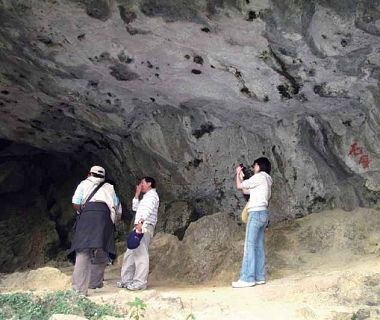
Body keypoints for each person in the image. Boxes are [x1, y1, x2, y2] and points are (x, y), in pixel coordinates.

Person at [68, 165, 122, 296]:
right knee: (102, 249)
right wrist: (113, 222)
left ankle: (79, 290)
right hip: (104, 218)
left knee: (83, 250)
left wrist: (82, 211)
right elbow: (118, 208)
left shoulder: (83, 184)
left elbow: (76, 202)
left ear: (89, 174)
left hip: (87, 217)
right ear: (103, 177)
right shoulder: (109, 188)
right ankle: (95, 282)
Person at [232, 157, 273, 288]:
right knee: (258, 245)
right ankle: (260, 276)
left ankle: (247, 278)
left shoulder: (259, 176)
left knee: (249, 245)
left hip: (255, 214)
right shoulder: (267, 180)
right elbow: (245, 190)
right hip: (263, 214)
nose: (254, 168)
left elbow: (239, 186)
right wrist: (242, 178)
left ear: (259, 166)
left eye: (255, 165)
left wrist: (238, 173)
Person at [118, 177, 159, 291]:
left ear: (149, 183)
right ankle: (126, 280)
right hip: (139, 225)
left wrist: (140, 223)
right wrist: (137, 194)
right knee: (130, 253)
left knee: (141, 254)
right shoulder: (146, 197)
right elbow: (135, 207)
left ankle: (140, 282)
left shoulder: (152, 196)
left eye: (142, 183)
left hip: (144, 226)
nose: (141, 185)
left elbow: (147, 209)